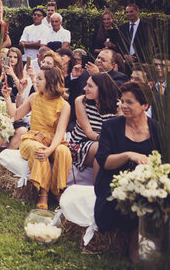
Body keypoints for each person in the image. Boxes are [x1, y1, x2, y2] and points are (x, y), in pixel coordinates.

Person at [94, 82, 160, 259]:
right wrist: (128, 154)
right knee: (123, 204)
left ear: (145, 105)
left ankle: (139, 243)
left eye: (129, 102)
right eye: (122, 101)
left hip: (147, 185)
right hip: (113, 183)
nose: (123, 106)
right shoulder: (111, 126)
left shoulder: (158, 130)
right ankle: (133, 244)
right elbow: (105, 162)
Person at [3, 67, 71, 209]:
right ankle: (43, 193)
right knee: (38, 150)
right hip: (32, 139)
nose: (36, 81)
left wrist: (50, 150)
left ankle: (58, 190)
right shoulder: (34, 97)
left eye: (40, 78)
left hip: (53, 141)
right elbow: (15, 115)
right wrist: (7, 98)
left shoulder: (64, 105)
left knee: (63, 151)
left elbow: (60, 133)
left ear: (51, 82)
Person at [68, 73, 118, 175]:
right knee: (102, 149)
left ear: (102, 88)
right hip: (79, 144)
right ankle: (98, 188)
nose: (85, 88)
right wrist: (106, 140)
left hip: (106, 143)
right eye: (86, 85)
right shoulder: (81, 101)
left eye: (90, 86)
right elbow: (89, 132)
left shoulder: (118, 106)